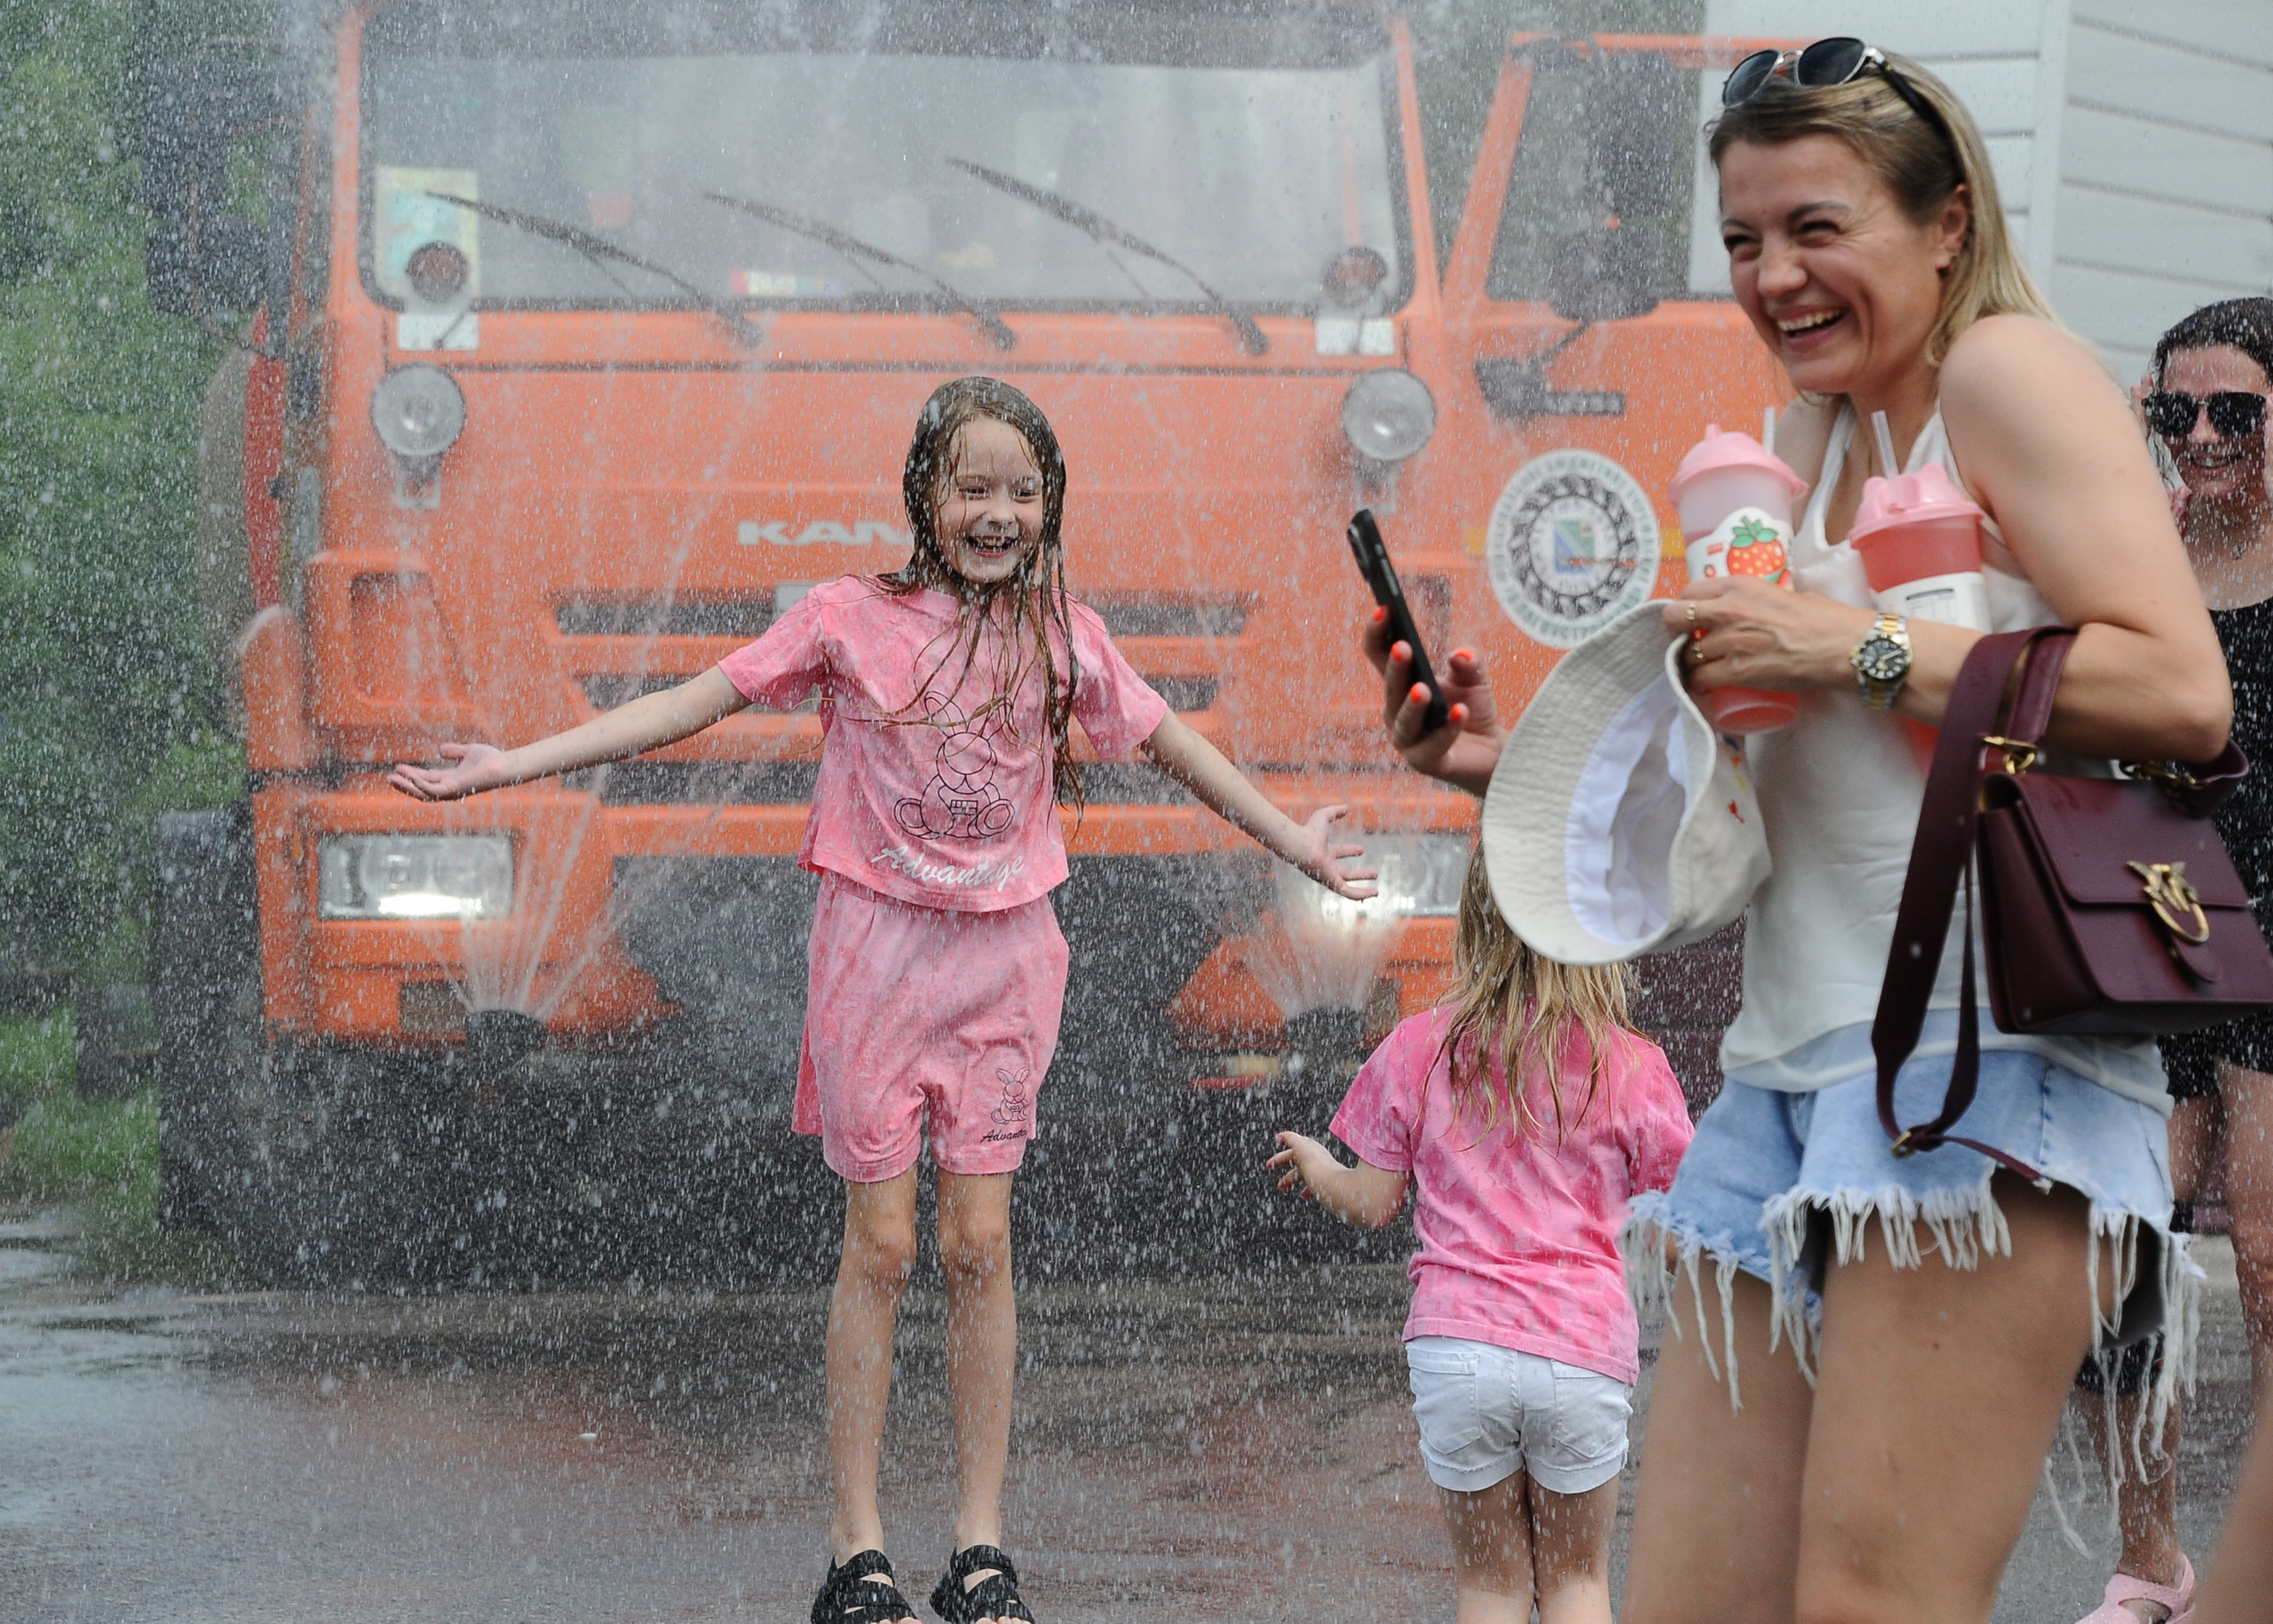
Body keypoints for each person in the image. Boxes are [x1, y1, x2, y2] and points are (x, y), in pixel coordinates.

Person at [1362, 40, 2231, 1624]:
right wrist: (1494, 767)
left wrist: (1857, 646)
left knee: (1870, 1602)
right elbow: (1776, 828)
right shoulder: (1810, 441)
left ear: (1948, 220)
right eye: (1745, 236)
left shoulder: (2003, 375)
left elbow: (2183, 689)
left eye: (1817, 226)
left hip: (1985, 1070)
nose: (1775, 273)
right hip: (1784, 1081)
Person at [388, 376, 1375, 1624]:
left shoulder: (1066, 635)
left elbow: (1178, 747)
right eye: (974, 487)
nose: (999, 511)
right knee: (885, 1245)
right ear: (925, 495)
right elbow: (694, 702)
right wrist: (511, 766)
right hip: (874, 956)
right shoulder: (847, 620)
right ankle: (858, 1553)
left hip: (1007, 960)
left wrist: (1294, 842)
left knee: (981, 1246)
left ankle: (978, 1552)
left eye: (1024, 490)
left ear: (1050, 505)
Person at [1268, 846, 1692, 1624]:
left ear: (1476, 923)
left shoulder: (1420, 1046)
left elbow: (1371, 1202)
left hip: (1459, 1350)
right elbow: (1675, 1236)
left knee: (1491, 1586)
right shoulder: (1632, 1066)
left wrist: (1323, 1166)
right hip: (1580, 1350)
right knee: (1575, 1582)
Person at [2065, 297, 2273, 1624]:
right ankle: (2154, 1564)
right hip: (2159, 926)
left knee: (2266, 1253)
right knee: (2112, 1252)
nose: (2199, 437)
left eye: (2236, 413)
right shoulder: (2129, 557)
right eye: (2173, 411)